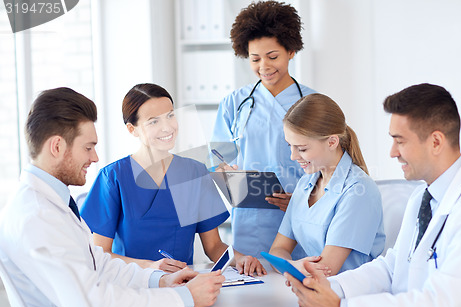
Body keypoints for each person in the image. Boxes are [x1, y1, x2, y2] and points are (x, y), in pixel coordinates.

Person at [0, 87, 225, 307]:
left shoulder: (49, 204)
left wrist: (160, 280)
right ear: (56, 146)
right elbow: (94, 301)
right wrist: (184, 297)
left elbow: (99, 264)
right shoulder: (37, 215)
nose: (95, 157)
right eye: (88, 147)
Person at [286, 84, 461, 307]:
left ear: (436, 142)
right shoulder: (422, 197)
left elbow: (439, 304)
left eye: (400, 141)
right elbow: (392, 268)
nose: (392, 153)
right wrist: (330, 287)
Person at [81, 83, 265, 276]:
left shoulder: (195, 172)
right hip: (131, 286)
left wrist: (241, 258)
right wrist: (149, 267)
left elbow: (214, 247)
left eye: (170, 115)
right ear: (132, 129)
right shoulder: (113, 177)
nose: (167, 127)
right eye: (153, 121)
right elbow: (100, 254)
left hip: (183, 285)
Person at [212, 0, 315, 258]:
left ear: (291, 51)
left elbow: (332, 165)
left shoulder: (314, 104)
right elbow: (217, 158)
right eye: (255, 59)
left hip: (302, 217)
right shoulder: (234, 103)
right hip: (251, 220)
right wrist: (227, 174)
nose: (264, 67)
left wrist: (307, 201)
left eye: (272, 57)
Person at [269, 94, 385, 276]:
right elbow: (277, 250)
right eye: (290, 146)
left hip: (348, 296)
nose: (293, 156)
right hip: (308, 289)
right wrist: (294, 266)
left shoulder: (358, 190)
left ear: (332, 142)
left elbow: (325, 270)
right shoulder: (305, 183)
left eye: (302, 148)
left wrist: (290, 267)